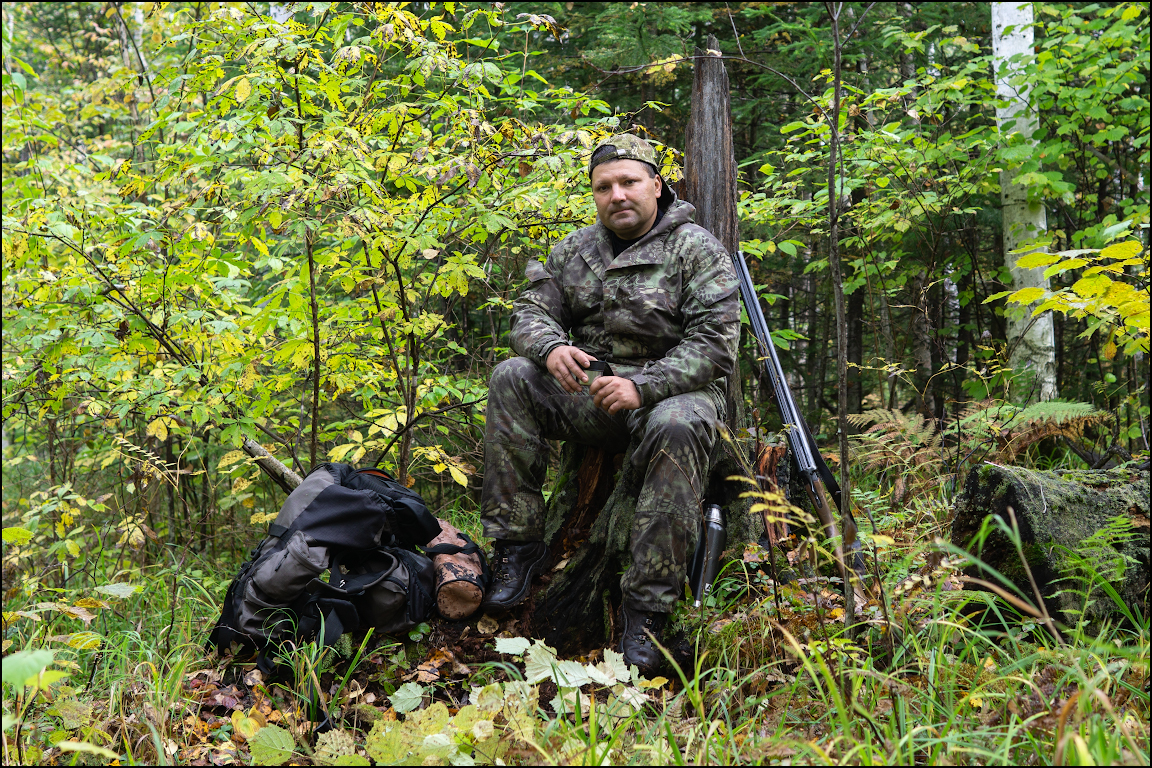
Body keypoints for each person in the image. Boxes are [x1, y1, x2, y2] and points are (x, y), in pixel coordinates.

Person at [480, 134, 740, 673]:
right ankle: (517, 547)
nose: (617, 195)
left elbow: (716, 344)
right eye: (604, 187)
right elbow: (530, 312)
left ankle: (647, 609)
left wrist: (644, 386)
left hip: (675, 397)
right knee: (511, 377)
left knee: (676, 426)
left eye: (629, 182)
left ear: (656, 186)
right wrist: (550, 348)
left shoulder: (695, 249)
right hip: (594, 394)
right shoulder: (575, 250)